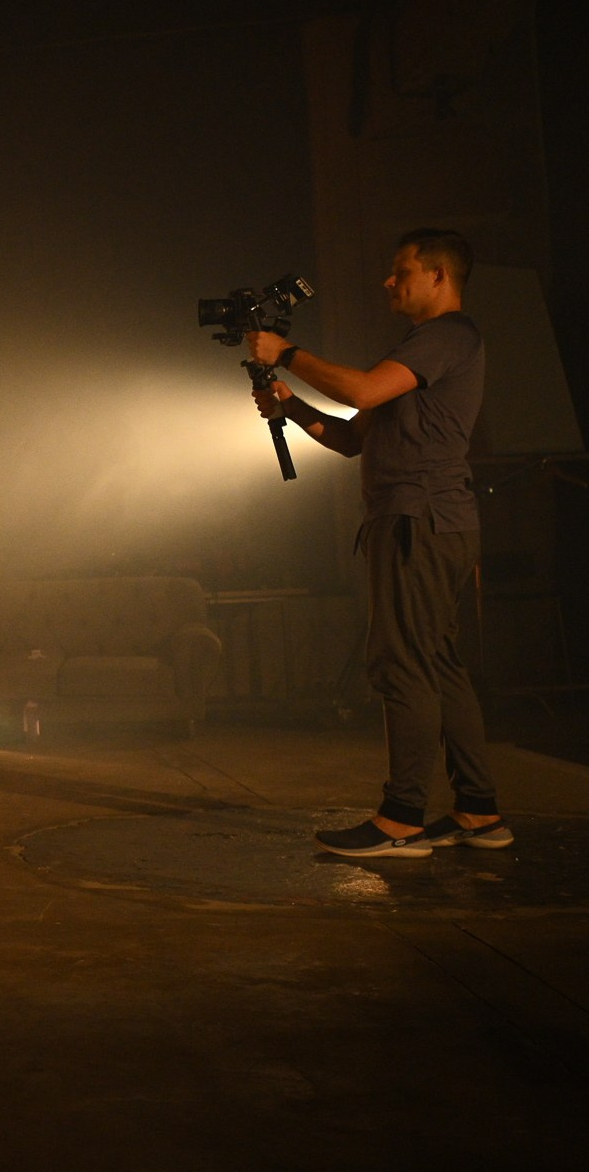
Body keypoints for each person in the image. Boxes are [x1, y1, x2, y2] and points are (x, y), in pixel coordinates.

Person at [249, 228, 509, 858]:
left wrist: (286, 353)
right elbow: (349, 434)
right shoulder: (420, 350)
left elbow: (361, 389)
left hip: (418, 521)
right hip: (426, 521)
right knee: (438, 665)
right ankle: (478, 812)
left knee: (403, 664)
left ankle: (402, 819)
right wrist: (289, 407)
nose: (390, 283)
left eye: (402, 272)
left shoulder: (450, 335)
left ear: (440, 276)